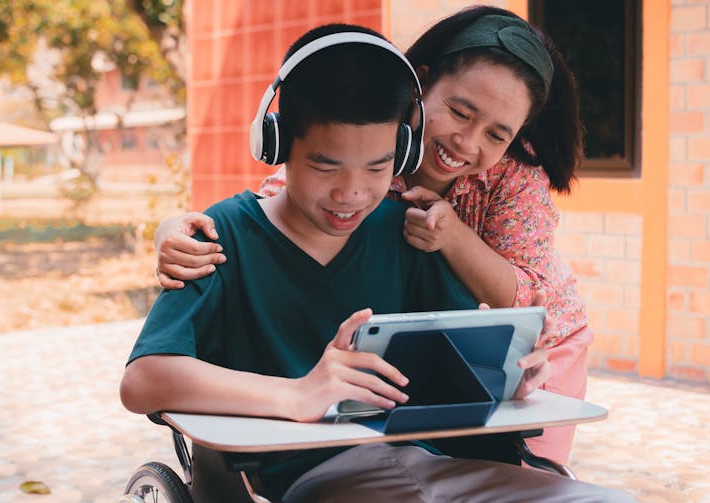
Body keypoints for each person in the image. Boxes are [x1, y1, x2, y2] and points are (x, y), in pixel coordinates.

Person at [121, 23, 632, 503]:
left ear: (401, 155)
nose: (351, 192)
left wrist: (509, 372)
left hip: (438, 464)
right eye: (325, 165)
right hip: (329, 475)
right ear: (275, 144)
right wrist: (298, 394)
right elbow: (142, 381)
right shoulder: (223, 237)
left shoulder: (406, 232)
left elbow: (458, 361)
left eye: (378, 166)